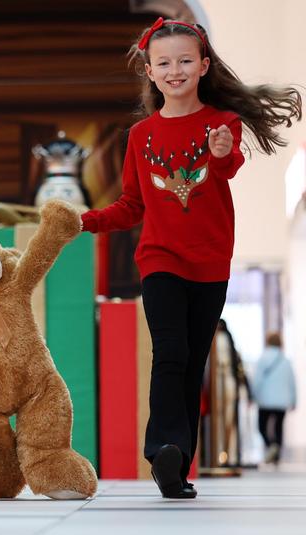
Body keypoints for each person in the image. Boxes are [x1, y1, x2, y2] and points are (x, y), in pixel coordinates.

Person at [80, 18, 302, 498]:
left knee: (194, 357)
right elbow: (132, 206)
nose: (175, 70)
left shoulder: (223, 123)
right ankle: (163, 446)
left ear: (203, 66)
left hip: (211, 262)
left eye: (185, 61)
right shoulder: (140, 136)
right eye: (164, 63)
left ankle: (176, 466)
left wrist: (222, 150)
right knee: (171, 352)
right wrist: (85, 221)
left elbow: (226, 167)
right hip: (160, 258)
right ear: (151, 72)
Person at [252, 332, 297, 465]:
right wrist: (294, 400)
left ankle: (271, 445)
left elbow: (257, 380)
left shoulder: (262, 359)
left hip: (265, 400)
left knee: (261, 426)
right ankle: (276, 454)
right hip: (282, 401)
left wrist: (253, 395)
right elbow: (292, 382)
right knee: (278, 427)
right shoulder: (286, 361)